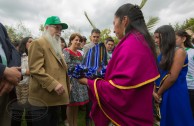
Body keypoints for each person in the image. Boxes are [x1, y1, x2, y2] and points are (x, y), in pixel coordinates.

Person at [78, 3, 159, 125]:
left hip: (129, 115)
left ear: (124, 20)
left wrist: (87, 82)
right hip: (139, 108)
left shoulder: (131, 45)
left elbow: (118, 90)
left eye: (114, 23)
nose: (114, 29)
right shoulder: (141, 40)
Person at [28, 16, 70, 126]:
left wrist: (67, 84)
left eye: (61, 29)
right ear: (46, 27)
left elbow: (59, 69)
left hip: (55, 100)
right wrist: (53, 84)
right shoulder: (38, 43)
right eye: (56, 28)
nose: (59, 32)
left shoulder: (55, 46)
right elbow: (35, 69)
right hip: (41, 101)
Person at [153, 25, 194, 126]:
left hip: (175, 92)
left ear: (166, 36)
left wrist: (158, 93)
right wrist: (154, 91)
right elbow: (156, 75)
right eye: (155, 37)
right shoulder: (161, 55)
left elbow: (172, 77)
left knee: (178, 120)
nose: (155, 40)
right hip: (163, 92)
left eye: (158, 37)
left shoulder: (179, 52)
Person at [63, 33, 89, 126]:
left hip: (79, 80)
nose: (78, 42)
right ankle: (71, 124)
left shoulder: (79, 53)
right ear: (71, 40)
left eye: (79, 41)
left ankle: (75, 124)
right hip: (70, 80)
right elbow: (64, 66)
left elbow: (82, 65)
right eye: (76, 40)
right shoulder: (66, 51)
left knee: (76, 104)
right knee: (70, 104)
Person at [0, 22, 21, 126]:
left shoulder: (1, 26)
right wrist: (3, 70)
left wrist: (10, 74)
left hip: (4, 87)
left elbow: (14, 51)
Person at [11, 37, 33, 126]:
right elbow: (13, 69)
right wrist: (25, 71)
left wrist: (29, 71)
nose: (32, 43)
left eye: (33, 42)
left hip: (31, 86)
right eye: (30, 41)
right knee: (17, 112)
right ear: (24, 44)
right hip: (19, 86)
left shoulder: (34, 55)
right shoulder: (17, 55)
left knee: (30, 113)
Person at [176, 30, 194, 118]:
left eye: (175, 38)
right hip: (181, 88)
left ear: (183, 39)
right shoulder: (174, 53)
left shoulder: (192, 52)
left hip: (191, 88)